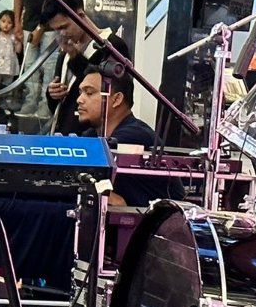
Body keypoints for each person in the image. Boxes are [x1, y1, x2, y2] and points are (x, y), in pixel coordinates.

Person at [75, 68, 183, 206]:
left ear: (116, 99)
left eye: (89, 93)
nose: (79, 100)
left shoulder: (135, 135)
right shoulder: (91, 135)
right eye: (80, 92)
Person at [40, 0, 130, 136]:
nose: (62, 34)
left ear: (80, 15)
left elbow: (101, 92)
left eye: (64, 27)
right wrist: (53, 94)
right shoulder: (66, 51)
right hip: (63, 134)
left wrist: (75, 58)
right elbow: (64, 102)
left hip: (89, 137)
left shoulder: (113, 46)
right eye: (57, 30)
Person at [7, 0, 65, 117]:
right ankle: (30, 101)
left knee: (48, 67)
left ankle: (45, 105)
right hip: (28, 23)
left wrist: (41, 27)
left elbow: (54, 1)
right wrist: (17, 22)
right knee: (29, 65)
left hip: (49, 25)